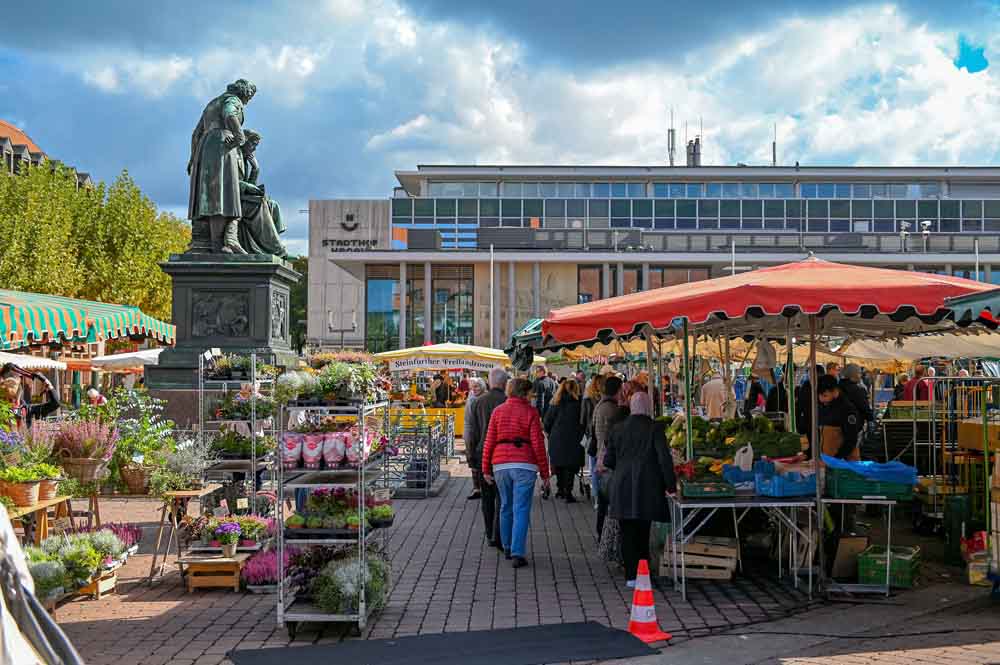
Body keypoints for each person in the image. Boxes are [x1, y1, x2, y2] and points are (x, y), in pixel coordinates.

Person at [604, 392, 677, 587]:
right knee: (643, 532)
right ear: (649, 407)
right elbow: (664, 459)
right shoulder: (655, 428)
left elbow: (608, 460)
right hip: (648, 486)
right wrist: (671, 485)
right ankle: (643, 574)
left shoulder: (617, 429)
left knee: (627, 531)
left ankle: (630, 576)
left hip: (622, 485)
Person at [482, 378, 551, 568]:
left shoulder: (498, 412)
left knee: (505, 506)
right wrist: (545, 474)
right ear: (524, 393)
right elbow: (538, 445)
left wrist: (485, 468)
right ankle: (517, 552)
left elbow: (489, 441)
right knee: (521, 509)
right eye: (531, 393)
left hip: (501, 464)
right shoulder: (530, 412)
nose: (533, 396)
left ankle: (506, 546)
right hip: (524, 464)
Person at [467, 368, 508, 549]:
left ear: (490, 382)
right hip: (505, 455)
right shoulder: (508, 401)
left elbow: (472, 431)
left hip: (483, 453)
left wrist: (471, 455)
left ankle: (490, 532)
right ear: (505, 383)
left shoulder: (478, 402)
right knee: (503, 497)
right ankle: (500, 533)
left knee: (487, 498)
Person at [593, 376, 625, 538]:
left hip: (601, 455)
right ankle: (606, 536)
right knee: (609, 500)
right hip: (608, 459)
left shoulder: (601, 405)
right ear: (618, 390)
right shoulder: (611, 409)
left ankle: (601, 532)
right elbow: (612, 437)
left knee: (604, 498)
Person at [543, 379, 585, 502]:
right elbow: (583, 421)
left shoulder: (555, 403)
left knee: (559, 465)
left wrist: (549, 432)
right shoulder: (579, 403)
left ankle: (560, 489)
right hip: (574, 439)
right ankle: (568, 491)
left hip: (556, 438)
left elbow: (547, 421)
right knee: (571, 466)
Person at [817, 374, 862, 461]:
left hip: (844, 463)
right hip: (829, 460)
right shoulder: (825, 406)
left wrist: (836, 460)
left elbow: (851, 439)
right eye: (819, 396)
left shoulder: (847, 409)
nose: (821, 399)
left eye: (825, 395)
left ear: (835, 391)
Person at [463, 378, 487, 500]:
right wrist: (466, 434)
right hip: (471, 432)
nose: (475, 389)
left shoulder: (485, 398)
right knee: (472, 460)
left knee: (482, 460)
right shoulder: (471, 398)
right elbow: (468, 419)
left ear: (483, 387)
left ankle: (484, 487)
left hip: (481, 433)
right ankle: (476, 488)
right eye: (473, 387)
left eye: (477, 386)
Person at [796, 365, 825, 443]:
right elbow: (800, 406)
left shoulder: (822, 386)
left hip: (818, 423)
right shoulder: (806, 386)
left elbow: (799, 407)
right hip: (811, 422)